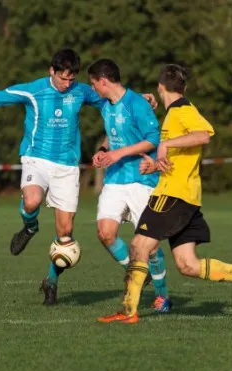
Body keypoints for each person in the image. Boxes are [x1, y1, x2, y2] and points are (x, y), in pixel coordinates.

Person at [0, 48, 156, 305]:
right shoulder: (34, 90)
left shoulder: (80, 91)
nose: (67, 84)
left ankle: (51, 281)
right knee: (32, 201)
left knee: (65, 235)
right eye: (62, 78)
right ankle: (30, 226)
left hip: (67, 167)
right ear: (52, 71)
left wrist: (141, 99)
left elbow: (114, 95)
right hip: (36, 159)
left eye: (71, 78)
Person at [98, 64, 232, 324]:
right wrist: (155, 165)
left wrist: (166, 144)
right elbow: (180, 157)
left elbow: (203, 135)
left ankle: (129, 311)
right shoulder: (172, 114)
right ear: (185, 87)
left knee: (138, 245)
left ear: (160, 87)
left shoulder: (182, 110)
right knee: (187, 265)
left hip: (173, 195)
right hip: (185, 196)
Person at [87, 58, 171, 313]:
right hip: (115, 179)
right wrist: (104, 150)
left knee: (150, 246)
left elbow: (153, 140)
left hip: (142, 180)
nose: (92, 88)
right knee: (105, 234)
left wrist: (119, 153)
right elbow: (113, 134)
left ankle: (162, 295)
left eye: (93, 83)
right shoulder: (105, 105)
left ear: (103, 81)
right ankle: (137, 272)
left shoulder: (137, 103)